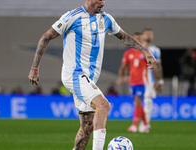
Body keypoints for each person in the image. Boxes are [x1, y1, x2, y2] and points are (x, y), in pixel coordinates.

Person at [28, 1, 156, 149]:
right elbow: (46, 37)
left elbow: (124, 37)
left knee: (87, 125)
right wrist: (34, 67)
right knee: (104, 105)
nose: (103, 3)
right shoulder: (72, 17)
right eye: (99, 0)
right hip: (74, 74)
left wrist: (145, 51)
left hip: (89, 79)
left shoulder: (106, 19)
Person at [117, 32, 150, 133]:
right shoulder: (128, 53)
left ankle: (134, 125)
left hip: (142, 81)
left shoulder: (145, 51)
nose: (136, 40)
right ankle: (146, 124)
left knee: (137, 101)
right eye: (134, 39)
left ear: (141, 40)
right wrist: (122, 76)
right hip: (132, 82)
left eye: (138, 39)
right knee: (138, 103)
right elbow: (124, 66)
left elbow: (152, 64)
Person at [139, 28, 164, 131]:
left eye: (150, 34)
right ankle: (138, 123)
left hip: (150, 79)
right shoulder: (139, 48)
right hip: (138, 78)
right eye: (147, 34)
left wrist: (160, 80)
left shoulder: (156, 50)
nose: (149, 36)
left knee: (148, 101)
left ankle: (145, 125)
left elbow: (159, 66)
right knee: (138, 101)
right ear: (143, 36)